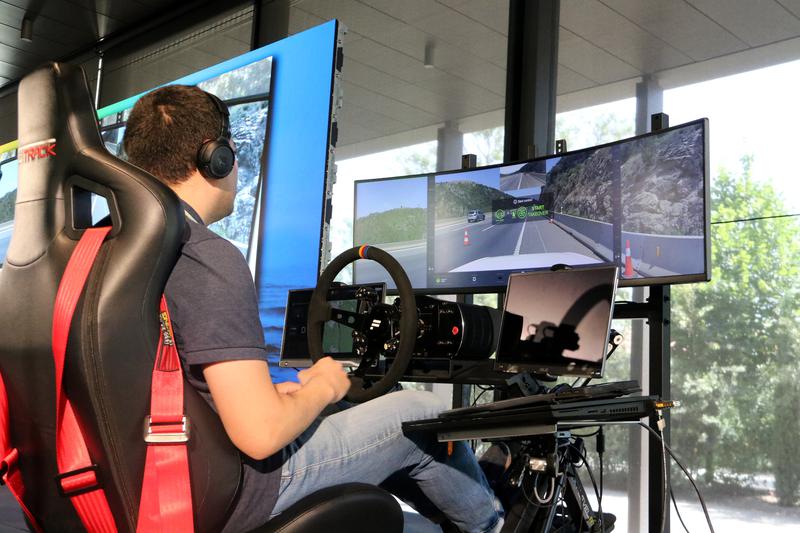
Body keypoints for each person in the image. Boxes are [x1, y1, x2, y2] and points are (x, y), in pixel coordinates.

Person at [122, 85, 503, 533]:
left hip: (160, 477)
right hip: (236, 489)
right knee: (415, 414)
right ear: (217, 158)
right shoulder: (204, 255)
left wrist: (275, 395)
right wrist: (322, 384)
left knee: (349, 420)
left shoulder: (127, 249)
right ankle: (496, 525)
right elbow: (261, 435)